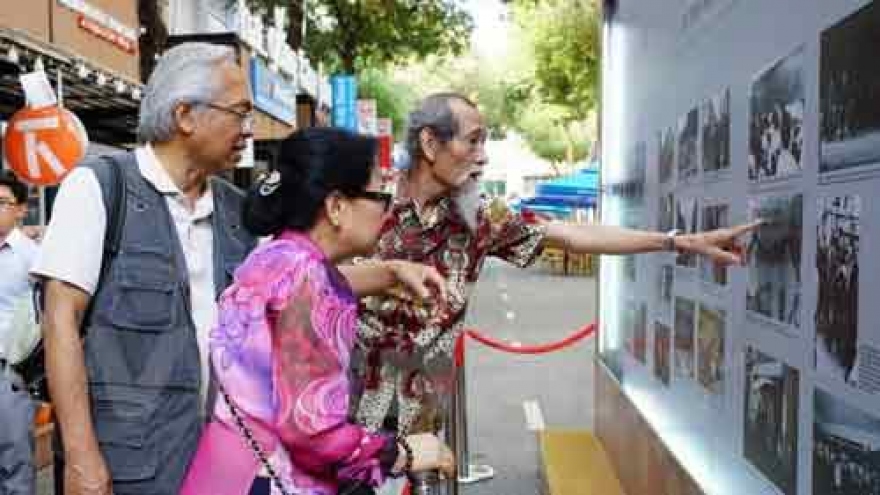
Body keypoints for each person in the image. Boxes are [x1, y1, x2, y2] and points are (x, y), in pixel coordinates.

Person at [342, 93, 760, 444]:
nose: (483, 157)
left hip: (422, 421)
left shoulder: (480, 219)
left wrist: (677, 242)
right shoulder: (360, 204)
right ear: (430, 144)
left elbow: (572, 236)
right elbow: (303, 277)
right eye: (473, 142)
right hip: (337, 412)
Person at [32, 42, 259, 494]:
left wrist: (387, 273)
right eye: (239, 113)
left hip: (225, 469)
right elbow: (61, 321)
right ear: (185, 116)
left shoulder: (240, 213)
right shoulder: (99, 188)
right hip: (130, 468)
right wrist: (80, 458)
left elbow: (296, 284)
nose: (248, 130)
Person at [182, 128, 455, 495]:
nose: (387, 213)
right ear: (337, 206)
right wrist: (403, 452)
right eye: (381, 197)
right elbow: (312, 431)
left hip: (224, 474)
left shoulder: (273, 258)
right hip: (277, 482)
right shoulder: (307, 279)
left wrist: (389, 271)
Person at [0, 171, 39, 495]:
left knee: (14, 458)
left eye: (1, 203)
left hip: (9, 374)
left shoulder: (34, 257)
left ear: (21, 209)